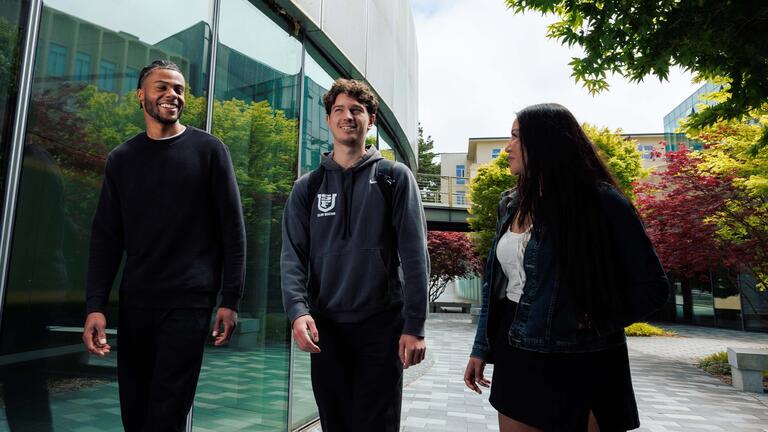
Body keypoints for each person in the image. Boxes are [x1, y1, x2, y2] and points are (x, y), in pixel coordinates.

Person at [463, 103, 670, 432]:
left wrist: (597, 317)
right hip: (515, 351)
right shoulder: (510, 203)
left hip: (581, 358)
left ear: (545, 142)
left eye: (516, 136)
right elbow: (495, 287)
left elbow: (653, 287)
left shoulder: (601, 201)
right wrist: (480, 349)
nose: (508, 147)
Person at [81, 60, 246, 432]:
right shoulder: (122, 159)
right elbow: (106, 238)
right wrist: (95, 306)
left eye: (179, 89)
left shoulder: (210, 151)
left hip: (189, 302)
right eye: (163, 87)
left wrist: (231, 299)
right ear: (141, 95)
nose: (173, 95)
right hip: (136, 302)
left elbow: (233, 232)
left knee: (167, 414)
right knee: (134, 412)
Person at [281, 78, 429, 431]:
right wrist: (298, 311)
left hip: (382, 327)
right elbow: (292, 257)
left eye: (356, 110)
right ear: (329, 119)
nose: (347, 116)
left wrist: (415, 326)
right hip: (326, 330)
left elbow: (415, 257)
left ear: (370, 119)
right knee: (335, 424)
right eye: (339, 110)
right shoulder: (308, 187)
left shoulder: (394, 178)